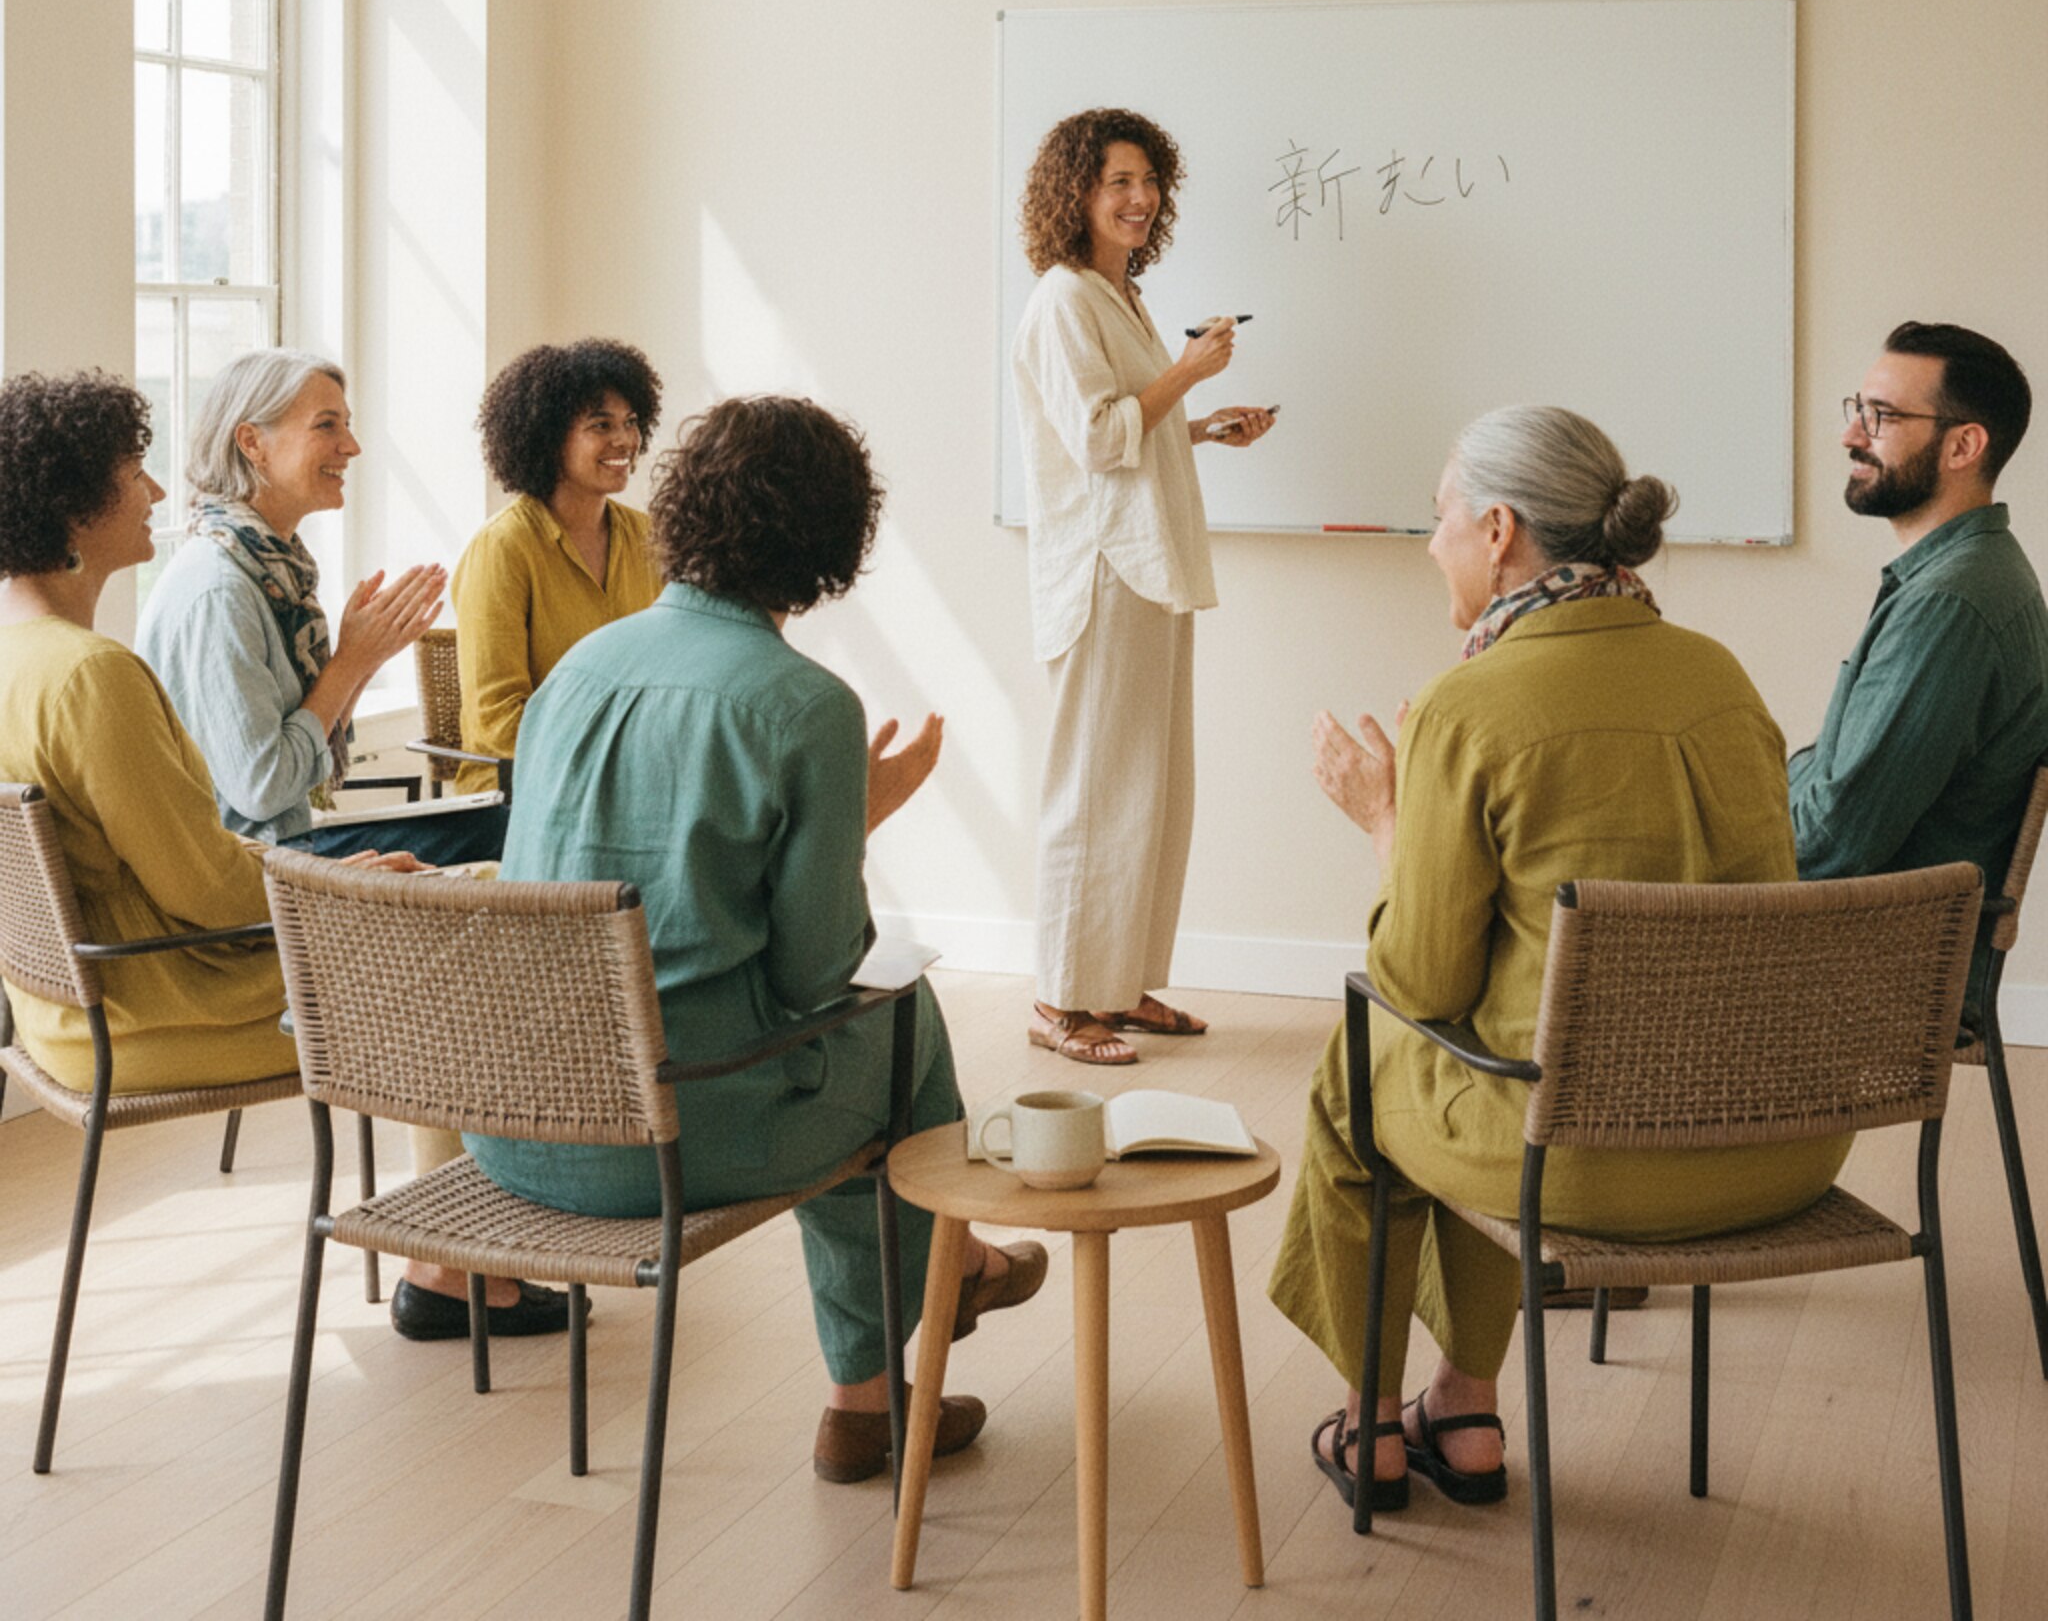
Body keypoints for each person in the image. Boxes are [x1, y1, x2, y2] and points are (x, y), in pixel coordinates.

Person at [1269, 405, 1849, 1514]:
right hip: (1779, 1147)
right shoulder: (1720, 676)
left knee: (1374, 1069)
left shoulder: (1465, 703)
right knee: (1494, 1049)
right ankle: (1465, 1404)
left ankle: (1376, 1421)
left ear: (1496, 530)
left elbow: (1419, 981)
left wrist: (1387, 823)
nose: (1428, 541)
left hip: (1581, 1163)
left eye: (1437, 516)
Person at [464, 396, 1048, 1483]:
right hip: (669, 1140)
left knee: (863, 1063)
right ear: (832, 542)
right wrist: (853, 819)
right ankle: (892, 1353)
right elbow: (813, 972)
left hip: (515, 1124)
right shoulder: (804, 705)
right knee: (895, 1031)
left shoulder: (573, 676)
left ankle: (907, 1345)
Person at [0, 371, 424, 1092]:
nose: (160, 495)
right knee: (470, 947)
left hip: (65, 1013)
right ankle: (498, 1196)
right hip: (162, 1010)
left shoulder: (20, 652)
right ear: (75, 507)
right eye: (136, 474)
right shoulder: (90, 675)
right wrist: (329, 884)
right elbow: (211, 894)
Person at [1011, 108, 1277, 1065]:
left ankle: (1115, 988)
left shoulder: (1119, 296)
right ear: (1075, 193)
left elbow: (1131, 431)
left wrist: (1203, 425)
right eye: (1116, 182)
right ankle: (1058, 1001)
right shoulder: (1062, 299)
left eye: (1148, 182)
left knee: (1153, 787)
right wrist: (1188, 372)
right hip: (1104, 571)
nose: (1137, 198)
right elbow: (1094, 438)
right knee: (1092, 788)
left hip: (1149, 563)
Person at [138, 349, 505, 866]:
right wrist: (350, 663)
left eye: (348, 425)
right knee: (505, 834)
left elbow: (300, 748)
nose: (351, 446)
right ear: (251, 443)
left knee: (500, 823)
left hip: (291, 838)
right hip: (257, 868)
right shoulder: (221, 591)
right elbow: (265, 789)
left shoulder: (271, 572)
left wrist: (365, 660)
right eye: (326, 425)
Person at [1790, 322, 2048, 1037]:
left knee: (1580, 940)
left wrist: (1717, 833)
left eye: (1882, 416)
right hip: (1879, 935)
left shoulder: (1951, 604)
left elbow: (1836, 840)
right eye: (1856, 409)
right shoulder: (1965, 575)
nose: (1850, 436)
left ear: (1964, 446)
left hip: (1876, 962)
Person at [448, 339, 664, 793]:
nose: (624, 439)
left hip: (625, 783)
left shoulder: (649, 539)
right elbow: (498, 719)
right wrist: (621, 756)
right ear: (548, 438)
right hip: (518, 794)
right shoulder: (504, 547)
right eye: (600, 425)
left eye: (630, 422)